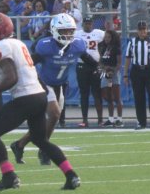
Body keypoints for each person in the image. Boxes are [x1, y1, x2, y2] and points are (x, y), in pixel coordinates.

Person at [0, 12, 80, 192]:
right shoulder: (18, 43)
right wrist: (45, 95)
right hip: (38, 94)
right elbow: (31, 73)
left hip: (25, 97)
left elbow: (11, 78)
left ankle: (9, 176)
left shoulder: (0, 47)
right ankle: (71, 175)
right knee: (41, 140)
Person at [10, 14, 91, 165]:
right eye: (64, 31)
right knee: (54, 114)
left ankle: (20, 144)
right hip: (44, 83)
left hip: (60, 84)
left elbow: (88, 59)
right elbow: (30, 63)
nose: (68, 34)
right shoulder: (45, 46)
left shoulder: (78, 45)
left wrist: (102, 70)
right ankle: (45, 149)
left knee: (49, 122)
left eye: (70, 31)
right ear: (54, 30)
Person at [124, 21, 150, 130]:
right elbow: (128, 59)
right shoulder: (132, 42)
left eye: (144, 29)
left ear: (147, 30)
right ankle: (141, 122)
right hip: (136, 70)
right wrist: (125, 75)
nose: (142, 31)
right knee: (139, 97)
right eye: (140, 29)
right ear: (137, 31)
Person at [74, 17, 104, 127]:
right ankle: (85, 120)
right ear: (83, 24)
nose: (88, 25)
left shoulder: (99, 33)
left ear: (92, 24)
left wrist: (101, 60)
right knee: (84, 94)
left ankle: (100, 120)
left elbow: (108, 42)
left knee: (97, 93)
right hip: (82, 65)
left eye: (90, 23)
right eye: (86, 23)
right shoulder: (77, 34)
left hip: (95, 67)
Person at [98, 29, 124, 127]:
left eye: (108, 37)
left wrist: (113, 72)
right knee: (107, 96)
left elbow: (119, 63)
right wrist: (103, 68)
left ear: (113, 38)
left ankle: (119, 119)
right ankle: (111, 119)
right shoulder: (104, 48)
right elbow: (100, 61)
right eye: (105, 37)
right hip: (105, 73)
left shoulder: (116, 49)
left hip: (113, 74)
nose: (106, 39)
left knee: (117, 97)